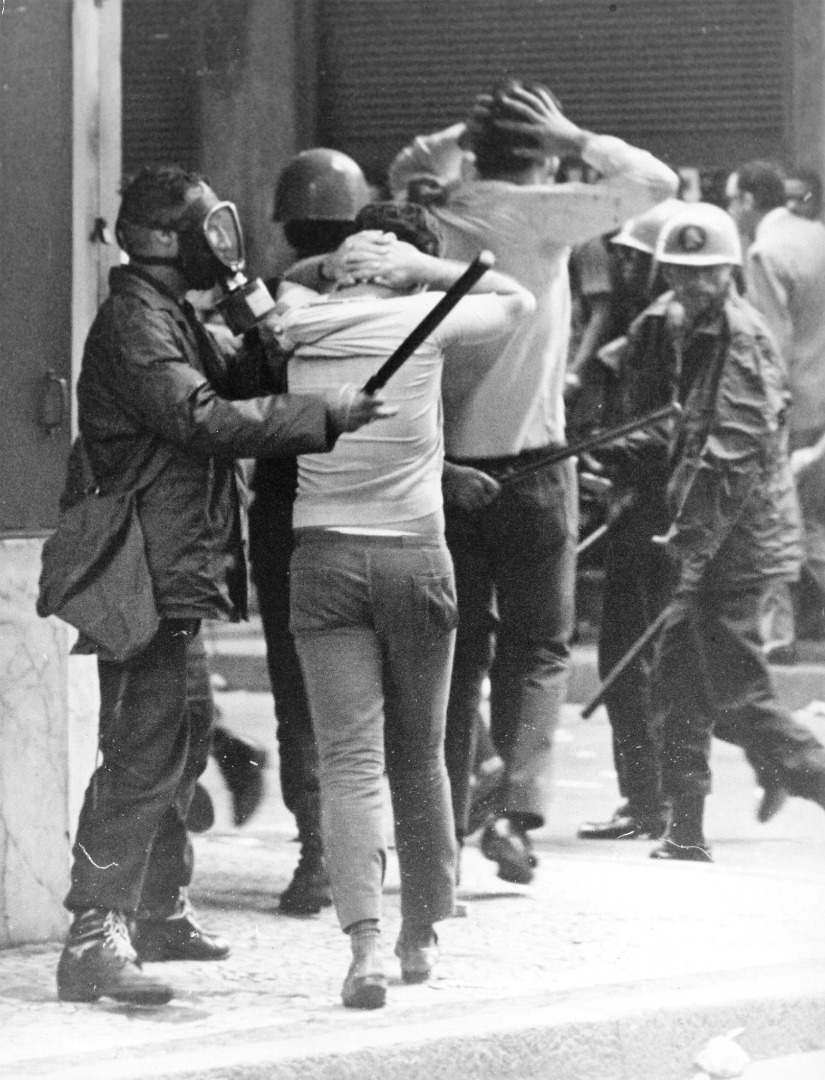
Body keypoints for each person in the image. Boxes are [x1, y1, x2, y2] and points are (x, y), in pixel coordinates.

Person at [55, 164, 389, 1007]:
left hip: (178, 565)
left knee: (183, 732)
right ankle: (94, 936)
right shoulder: (134, 322)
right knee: (141, 750)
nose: (220, 241)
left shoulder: (169, 315)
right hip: (142, 569)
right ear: (163, 240)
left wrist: (260, 324)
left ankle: (160, 908)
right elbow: (202, 418)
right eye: (206, 229)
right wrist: (324, 415)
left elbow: (236, 381)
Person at [389, 79, 679, 884]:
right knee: (539, 648)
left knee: (455, 650)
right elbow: (655, 184)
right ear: (539, 154)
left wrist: (474, 127)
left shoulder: (431, 209)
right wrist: (571, 135)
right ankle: (515, 815)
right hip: (535, 471)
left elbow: (407, 162)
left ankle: (444, 820)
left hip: (441, 475)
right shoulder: (544, 213)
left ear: (475, 149)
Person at [278, 201, 535, 1008]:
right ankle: (420, 930)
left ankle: (364, 949)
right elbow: (516, 301)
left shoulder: (298, 320)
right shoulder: (426, 316)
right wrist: (419, 272)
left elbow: (281, 282)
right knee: (419, 755)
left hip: (320, 559)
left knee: (349, 760)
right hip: (413, 559)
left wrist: (336, 265)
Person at [612, 201, 825, 862]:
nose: (692, 284)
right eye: (681, 271)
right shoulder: (686, 325)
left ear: (730, 271)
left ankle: (803, 769)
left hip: (734, 542)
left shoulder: (740, 338)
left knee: (735, 696)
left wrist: (692, 548)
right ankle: (685, 828)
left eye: (706, 273)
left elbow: (727, 457)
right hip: (704, 536)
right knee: (674, 680)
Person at [245, 147, 373, 915]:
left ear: (286, 221)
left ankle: (317, 857)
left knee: (299, 692)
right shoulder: (390, 297)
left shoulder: (269, 302)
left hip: (289, 519)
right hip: (374, 510)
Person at [727, 161, 825, 648]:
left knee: (780, 518)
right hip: (822, 407)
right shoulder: (819, 236)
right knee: (810, 517)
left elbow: (772, 344)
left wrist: (764, 414)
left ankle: (777, 634)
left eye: (730, 200)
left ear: (747, 200)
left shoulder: (766, 251)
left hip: (795, 408)